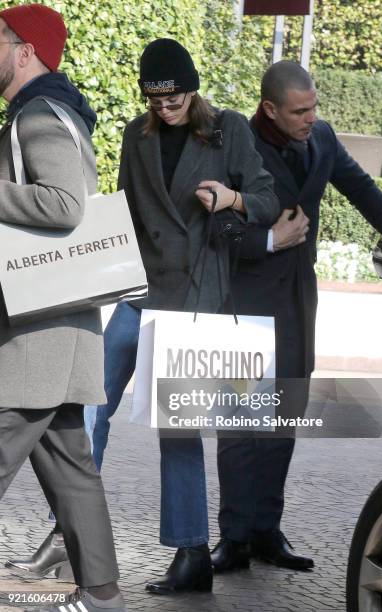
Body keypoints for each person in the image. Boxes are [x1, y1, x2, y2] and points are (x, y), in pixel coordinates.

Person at [211, 60, 382, 573]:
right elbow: (216, 226)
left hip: (298, 300)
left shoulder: (320, 137)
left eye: (314, 106)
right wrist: (268, 240)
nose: (311, 117)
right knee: (239, 421)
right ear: (269, 108)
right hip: (243, 301)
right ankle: (232, 537)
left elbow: (359, 186)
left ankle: (266, 532)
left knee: (283, 419)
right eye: (300, 110)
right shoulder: (236, 142)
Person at [121, 38, 278, 594]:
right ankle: (64, 532)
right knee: (84, 399)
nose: (165, 110)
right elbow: (126, 213)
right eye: (155, 101)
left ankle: (191, 556)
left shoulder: (227, 129)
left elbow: (266, 198)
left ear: (192, 89)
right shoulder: (134, 137)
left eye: (175, 99)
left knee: (177, 428)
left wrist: (231, 199)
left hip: (192, 295)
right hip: (138, 289)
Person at [0, 5, 126, 611]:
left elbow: (64, 204)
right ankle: (102, 594)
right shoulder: (54, 111)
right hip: (56, 329)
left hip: (33, 339)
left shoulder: (41, 114)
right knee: (72, 467)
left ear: (25, 50)